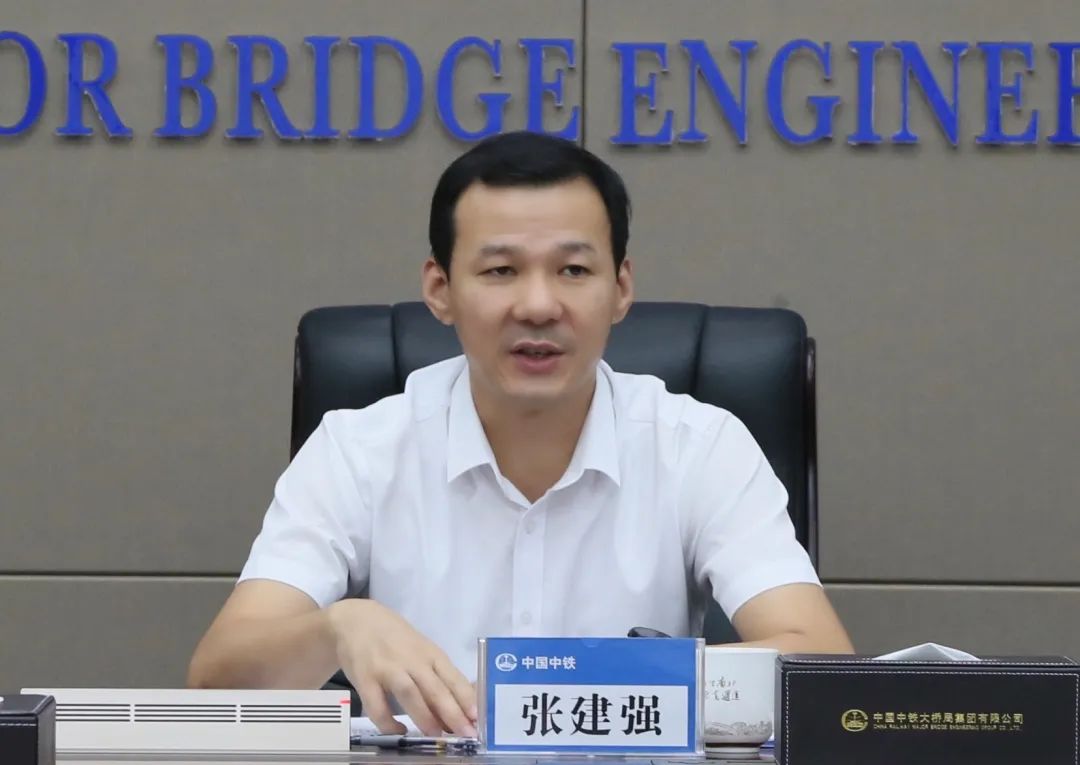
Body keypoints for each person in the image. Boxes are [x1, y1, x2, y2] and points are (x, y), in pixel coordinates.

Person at [187, 131, 853, 738]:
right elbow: (216, 684)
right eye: (501, 270)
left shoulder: (699, 446)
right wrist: (337, 629)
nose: (538, 305)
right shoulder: (357, 450)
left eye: (574, 270)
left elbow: (819, 663)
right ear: (440, 288)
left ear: (621, 288)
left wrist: (578, 685)